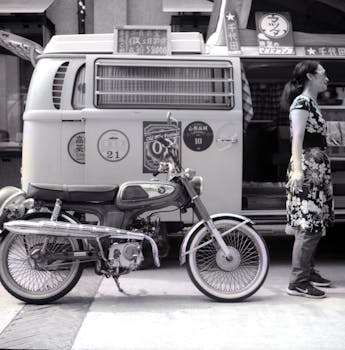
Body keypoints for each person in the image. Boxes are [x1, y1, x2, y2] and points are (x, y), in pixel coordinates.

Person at [281, 60, 334, 299]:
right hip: (308, 168)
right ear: (310, 77)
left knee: (315, 223)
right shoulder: (301, 102)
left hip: (316, 168)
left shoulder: (311, 103)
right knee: (308, 225)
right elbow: (297, 139)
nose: (327, 79)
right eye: (323, 74)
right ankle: (298, 282)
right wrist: (299, 171)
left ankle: (308, 272)